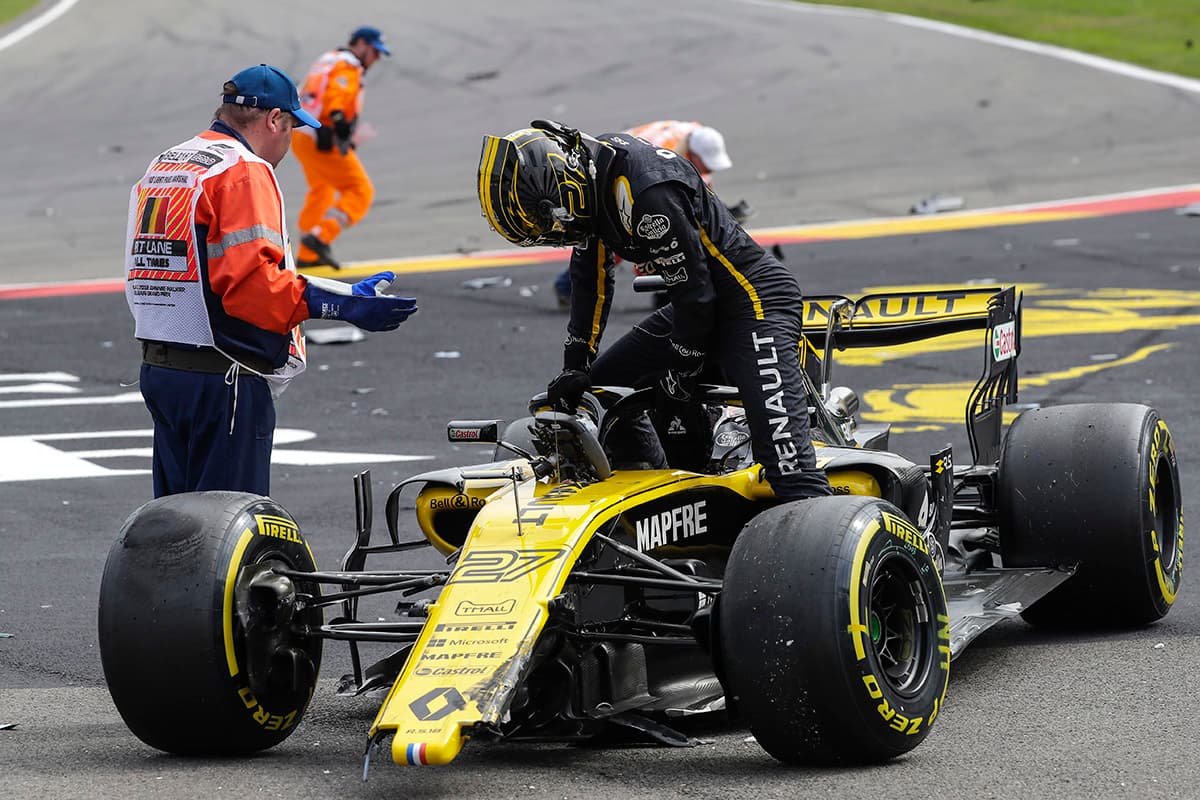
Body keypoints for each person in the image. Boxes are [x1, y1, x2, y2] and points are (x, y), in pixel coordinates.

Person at [477, 121, 831, 502]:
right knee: (601, 396)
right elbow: (591, 279)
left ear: (565, 186)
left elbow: (695, 292)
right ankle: (657, 490)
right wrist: (575, 365)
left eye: (549, 221)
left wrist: (682, 368)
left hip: (754, 302)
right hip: (696, 307)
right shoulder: (593, 181)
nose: (553, 232)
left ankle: (817, 509)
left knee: (786, 463)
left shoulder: (645, 190)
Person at [125, 63, 418, 499]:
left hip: (163, 369)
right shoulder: (243, 171)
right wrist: (340, 306)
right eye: (292, 129)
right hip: (222, 377)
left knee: (173, 521)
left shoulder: (169, 162)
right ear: (274, 120)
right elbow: (251, 289)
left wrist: (337, 290)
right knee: (226, 525)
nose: (289, 142)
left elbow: (207, 267)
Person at [553, 120, 751, 308]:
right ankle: (566, 285)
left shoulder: (697, 134)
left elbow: (695, 188)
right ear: (694, 154)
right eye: (706, 163)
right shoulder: (666, 155)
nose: (709, 169)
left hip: (634, 160)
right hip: (619, 173)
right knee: (618, 240)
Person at [291, 26, 391, 269]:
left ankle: (307, 256)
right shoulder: (348, 66)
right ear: (361, 44)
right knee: (360, 190)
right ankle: (320, 237)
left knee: (321, 190)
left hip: (300, 134)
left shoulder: (329, 59)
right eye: (375, 52)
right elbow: (336, 96)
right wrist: (339, 124)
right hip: (320, 137)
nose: (376, 58)